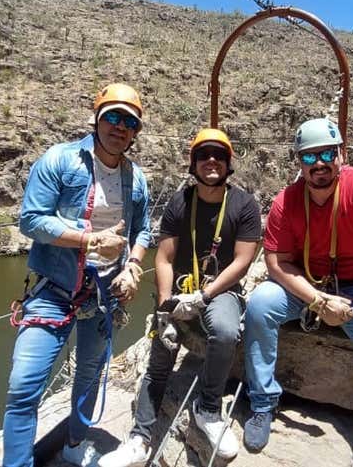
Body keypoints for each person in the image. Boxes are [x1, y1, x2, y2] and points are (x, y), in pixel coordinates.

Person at [242, 118, 353, 467]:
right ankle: (262, 404)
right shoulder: (287, 202)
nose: (318, 163)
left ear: (341, 155)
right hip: (307, 284)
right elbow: (277, 263)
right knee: (260, 305)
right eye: (309, 157)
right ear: (299, 162)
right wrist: (318, 300)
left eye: (327, 154)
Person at [2, 83, 151, 467]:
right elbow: (31, 220)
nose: (120, 127)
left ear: (135, 131)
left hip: (104, 296)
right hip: (53, 291)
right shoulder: (60, 160)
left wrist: (133, 265)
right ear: (96, 119)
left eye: (129, 122)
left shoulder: (136, 179)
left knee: (88, 375)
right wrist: (88, 240)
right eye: (113, 117)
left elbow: (143, 231)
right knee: (23, 386)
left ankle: (74, 444)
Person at [99, 128, 261, 467]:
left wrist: (203, 297)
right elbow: (164, 258)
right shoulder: (180, 202)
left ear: (229, 162)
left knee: (225, 331)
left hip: (220, 290)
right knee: (160, 358)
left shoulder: (244, 204)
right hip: (179, 290)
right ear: (193, 163)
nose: (211, 161)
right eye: (203, 155)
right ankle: (140, 439)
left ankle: (208, 409)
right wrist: (165, 308)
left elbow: (243, 261)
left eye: (219, 155)